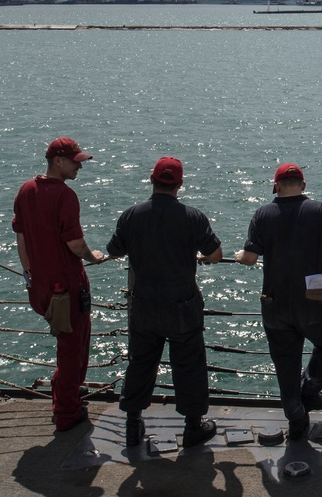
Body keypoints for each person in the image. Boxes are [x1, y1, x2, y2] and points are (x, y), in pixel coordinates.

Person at [236, 163, 322, 439]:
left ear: (276, 185)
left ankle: (296, 418)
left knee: (285, 363)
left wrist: (238, 255)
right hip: (312, 301)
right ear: (303, 185)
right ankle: (310, 389)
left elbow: (249, 259)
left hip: (275, 303)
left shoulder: (263, 214)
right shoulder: (318, 211)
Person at [106, 157, 223, 448]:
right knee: (190, 365)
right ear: (180, 184)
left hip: (144, 302)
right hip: (182, 302)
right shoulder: (192, 217)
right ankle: (193, 427)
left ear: (151, 179)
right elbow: (216, 253)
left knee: (141, 363)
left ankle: (133, 424)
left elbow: (115, 250)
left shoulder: (132, 215)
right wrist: (201, 258)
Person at [12, 137, 108, 432]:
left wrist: (30, 274)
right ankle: (66, 410)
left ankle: (65, 393)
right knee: (73, 346)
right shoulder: (65, 196)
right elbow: (75, 243)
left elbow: (22, 237)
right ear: (58, 161)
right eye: (75, 161)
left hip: (40, 286)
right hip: (66, 287)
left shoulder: (26, 190)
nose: (80, 166)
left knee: (67, 343)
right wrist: (94, 257)